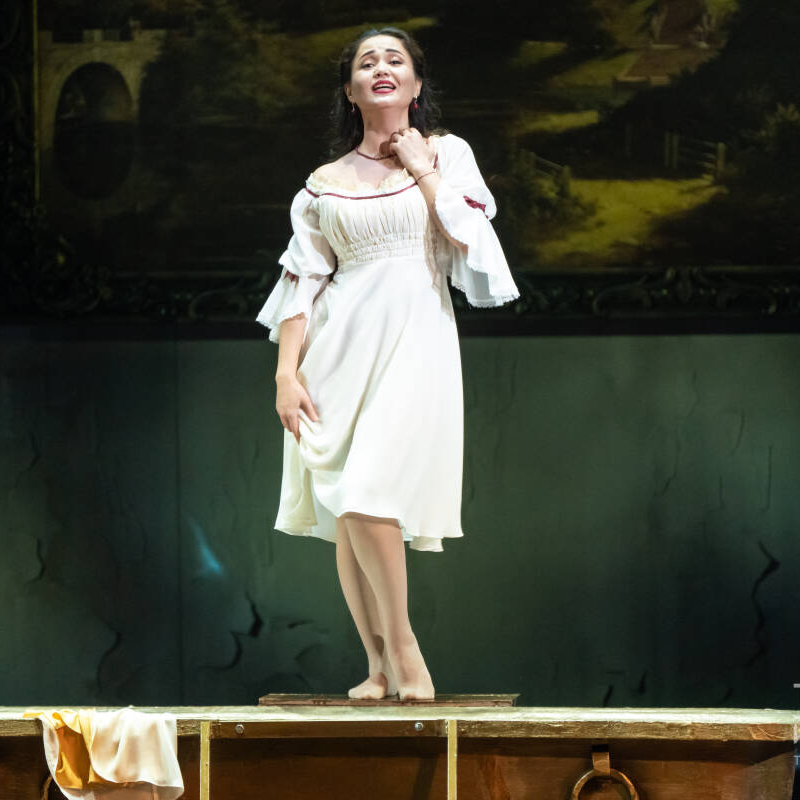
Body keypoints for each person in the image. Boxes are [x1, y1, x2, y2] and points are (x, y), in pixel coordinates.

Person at [256, 26, 519, 701]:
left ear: (415, 84)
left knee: (370, 491)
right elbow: (302, 282)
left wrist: (421, 166)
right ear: (350, 91)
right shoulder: (323, 185)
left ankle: (404, 648)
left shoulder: (446, 153)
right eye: (366, 62)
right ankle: (377, 664)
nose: (381, 68)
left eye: (394, 59)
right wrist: (286, 374)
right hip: (336, 351)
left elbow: (469, 237)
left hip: (415, 339)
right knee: (349, 506)